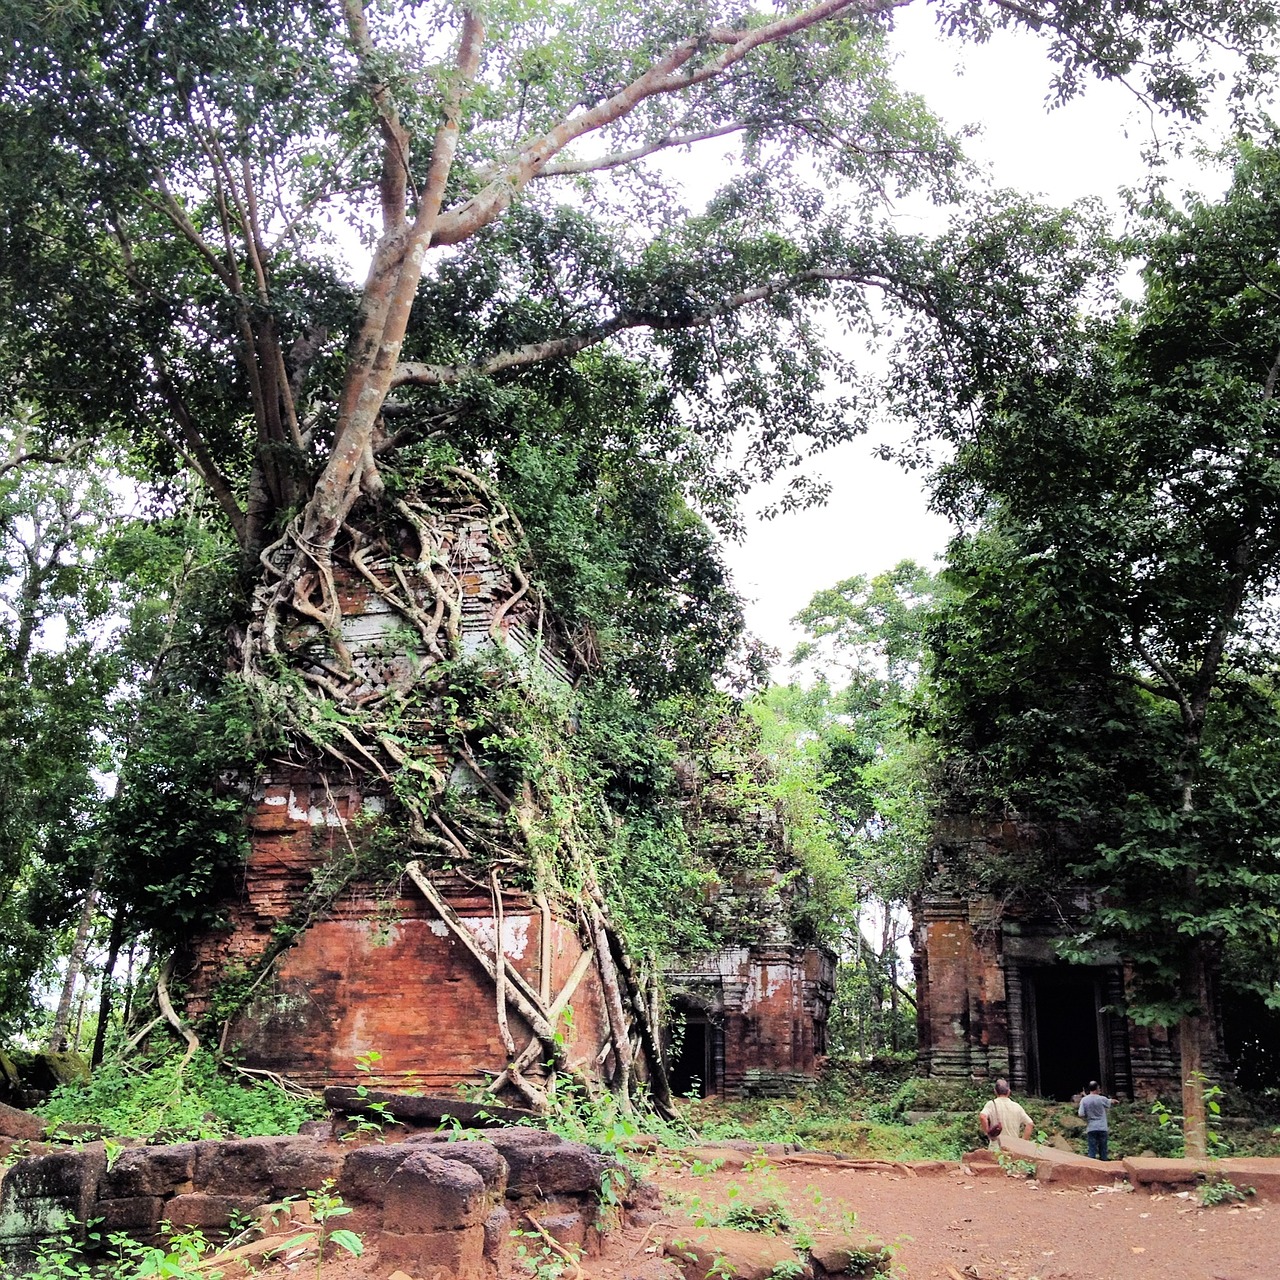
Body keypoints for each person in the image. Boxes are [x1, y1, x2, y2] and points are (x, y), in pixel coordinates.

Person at [978, 1079, 1034, 1149]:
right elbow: (1030, 1124)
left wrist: (988, 1133)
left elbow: (982, 1117)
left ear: (995, 1091)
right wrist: (1022, 1143)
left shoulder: (991, 1104)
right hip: (1014, 1147)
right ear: (1009, 1091)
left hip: (996, 1146)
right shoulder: (1017, 1106)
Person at [1078, 1080, 1117, 1160]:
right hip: (1102, 1128)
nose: (1100, 1090)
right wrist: (1116, 1101)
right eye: (1099, 1088)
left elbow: (1081, 1114)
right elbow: (1111, 1102)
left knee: (1092, 1151)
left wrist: (1087, 1117)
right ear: (1096, 1088)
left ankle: (1092, 1169)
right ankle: (1104, 1169)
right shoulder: (1102, 1099)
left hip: (1091, 1128)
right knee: (1103, 1151)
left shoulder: (1084, 1100)